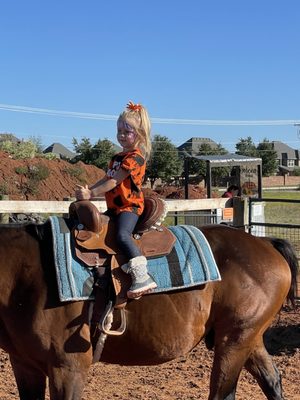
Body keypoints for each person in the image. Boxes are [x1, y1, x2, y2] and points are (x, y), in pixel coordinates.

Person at [75, 101, 157, 299]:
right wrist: (89, 190)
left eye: (126, 131)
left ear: (139, 134)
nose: (121, 135)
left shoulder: (135, 158)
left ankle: (141, 275)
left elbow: (113, 182)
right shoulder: (117, 157)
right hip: (115, 208)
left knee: (122, 235)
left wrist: (90, 195)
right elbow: (105, 178)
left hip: (130, 207)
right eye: (119, 130)